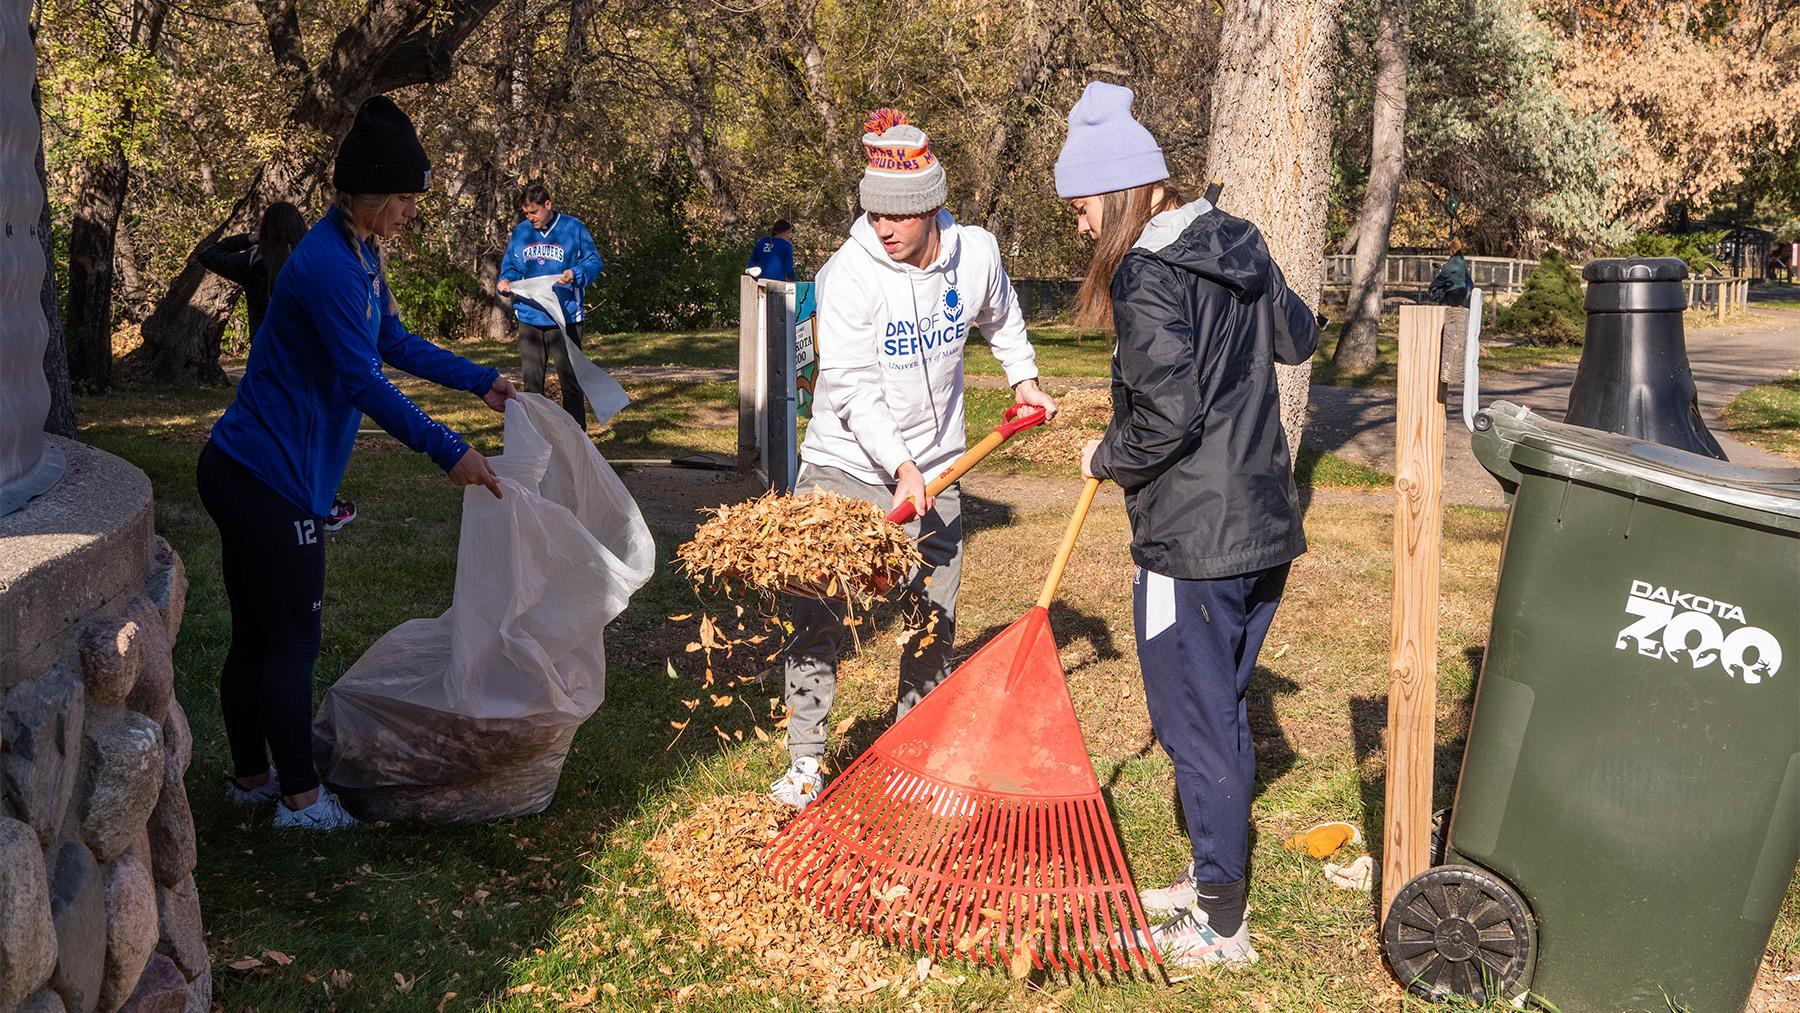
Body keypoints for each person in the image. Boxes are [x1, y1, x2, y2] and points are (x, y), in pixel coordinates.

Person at [197, 96, 517, 831]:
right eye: (405, 197)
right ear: (369, 193)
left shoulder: (361, 254)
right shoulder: (330, 268)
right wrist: (450, 451)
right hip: (266, 480)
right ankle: (302, 801)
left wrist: (481, 379)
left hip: (250, 469)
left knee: (258, 632)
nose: (411, 211)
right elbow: (361, 382)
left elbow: (394, 344)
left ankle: (253, 779)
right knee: (289, 641)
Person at [1055, 81, 1318, 967]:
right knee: (1221, 712)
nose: (1082, 225)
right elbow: (1300, 336)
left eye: (1084, 203)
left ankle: (1220, 926)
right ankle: (1213, 878)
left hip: (1192, 543)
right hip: (1262, 527)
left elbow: (1166, 418)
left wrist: (1104, 455)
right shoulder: (1236, 237)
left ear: (1123, 191)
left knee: (1194, 724)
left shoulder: (1146, 273)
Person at [769, 108, 1059, 808]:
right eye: (873, 216)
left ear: (933, 207)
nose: (883, 229)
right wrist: (899, 464)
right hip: (843, 465)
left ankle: (908, 751)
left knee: (933, 615)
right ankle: (808, 759)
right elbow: (850, 386)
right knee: (812, 608)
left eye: (898, 217)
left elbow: (1002, 316)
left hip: (939, 468)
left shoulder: (978, 254)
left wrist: (1023, 377)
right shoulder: (849, 276)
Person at [200, 203, 361, 532]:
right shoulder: (313, 258)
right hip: (307, 354)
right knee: (308, 428)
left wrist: (247, 237)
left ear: (266, 230)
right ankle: (322, 504)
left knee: (274, 426)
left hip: (266, 354)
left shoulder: (253, 261)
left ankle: (298, 497)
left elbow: (209, 253)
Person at [497, 183, 603, 426]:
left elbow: (593, 263)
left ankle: (577, 438)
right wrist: (505, 282)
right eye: (526, 213)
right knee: (532, 384)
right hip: (530, 317)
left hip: (565, 319)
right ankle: (536, 437)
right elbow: (511, 268)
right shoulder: (521, 232)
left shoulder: (573, 228)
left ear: (548, 205)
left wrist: (576, 273)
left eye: (534, 212)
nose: (530, 218)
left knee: (570, 383)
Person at [1427, 239, 1473, 307]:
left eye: (1449, 249)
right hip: (1462, 289)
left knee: (1448, 309)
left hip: (1453, 290)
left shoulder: (1454, 260)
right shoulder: (1461, 260)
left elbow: (1444, 273)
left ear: (1452, 249)